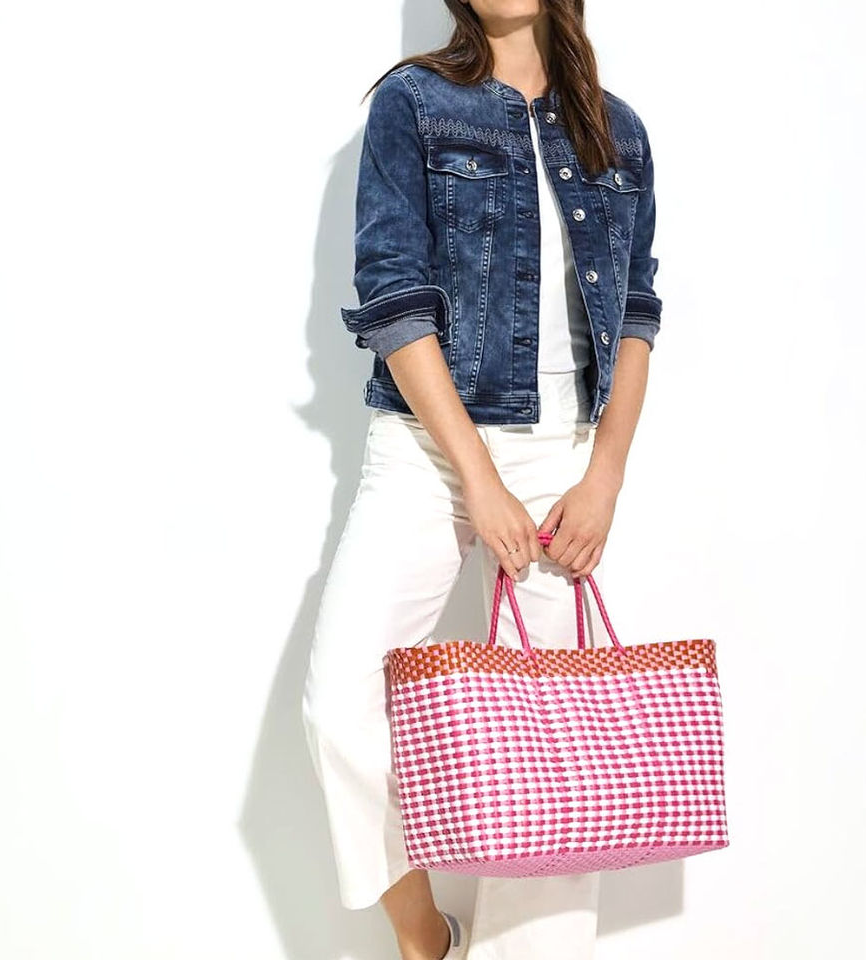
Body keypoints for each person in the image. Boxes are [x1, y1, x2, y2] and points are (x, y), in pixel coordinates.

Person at [302, 1, 663, 957]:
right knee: (341, 705)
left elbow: (636, 311)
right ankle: (427, 938)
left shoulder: (618, 128)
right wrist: (479, 476)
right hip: (427, 451)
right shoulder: (414, 103)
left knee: (558, 753)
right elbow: (393, 296)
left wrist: (605, 477)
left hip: (565, 458)